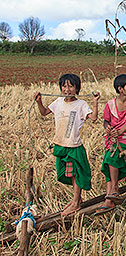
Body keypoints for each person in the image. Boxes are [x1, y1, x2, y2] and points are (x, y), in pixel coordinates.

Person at [34, 73, 100, 216]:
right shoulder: (58, 102)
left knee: (76, 173)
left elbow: (93, 118)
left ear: (77, 88)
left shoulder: (81, 104)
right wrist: (39, 102)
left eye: (71, 86)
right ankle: (77, 198)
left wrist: (95, 102)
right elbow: (44, 112)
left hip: (73, 146)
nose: (67, 89)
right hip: (60, 145)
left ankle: (76, 202)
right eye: (64, 86)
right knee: (68, 173)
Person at [96, 74, 126, 214]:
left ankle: (113, 190)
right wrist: (108, 128)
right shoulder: (110, 104)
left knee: (112, 157)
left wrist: (119, 132)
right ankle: (110, 198)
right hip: (113, 139)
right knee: (109, 159)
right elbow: (106, 121)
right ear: (120, 89)